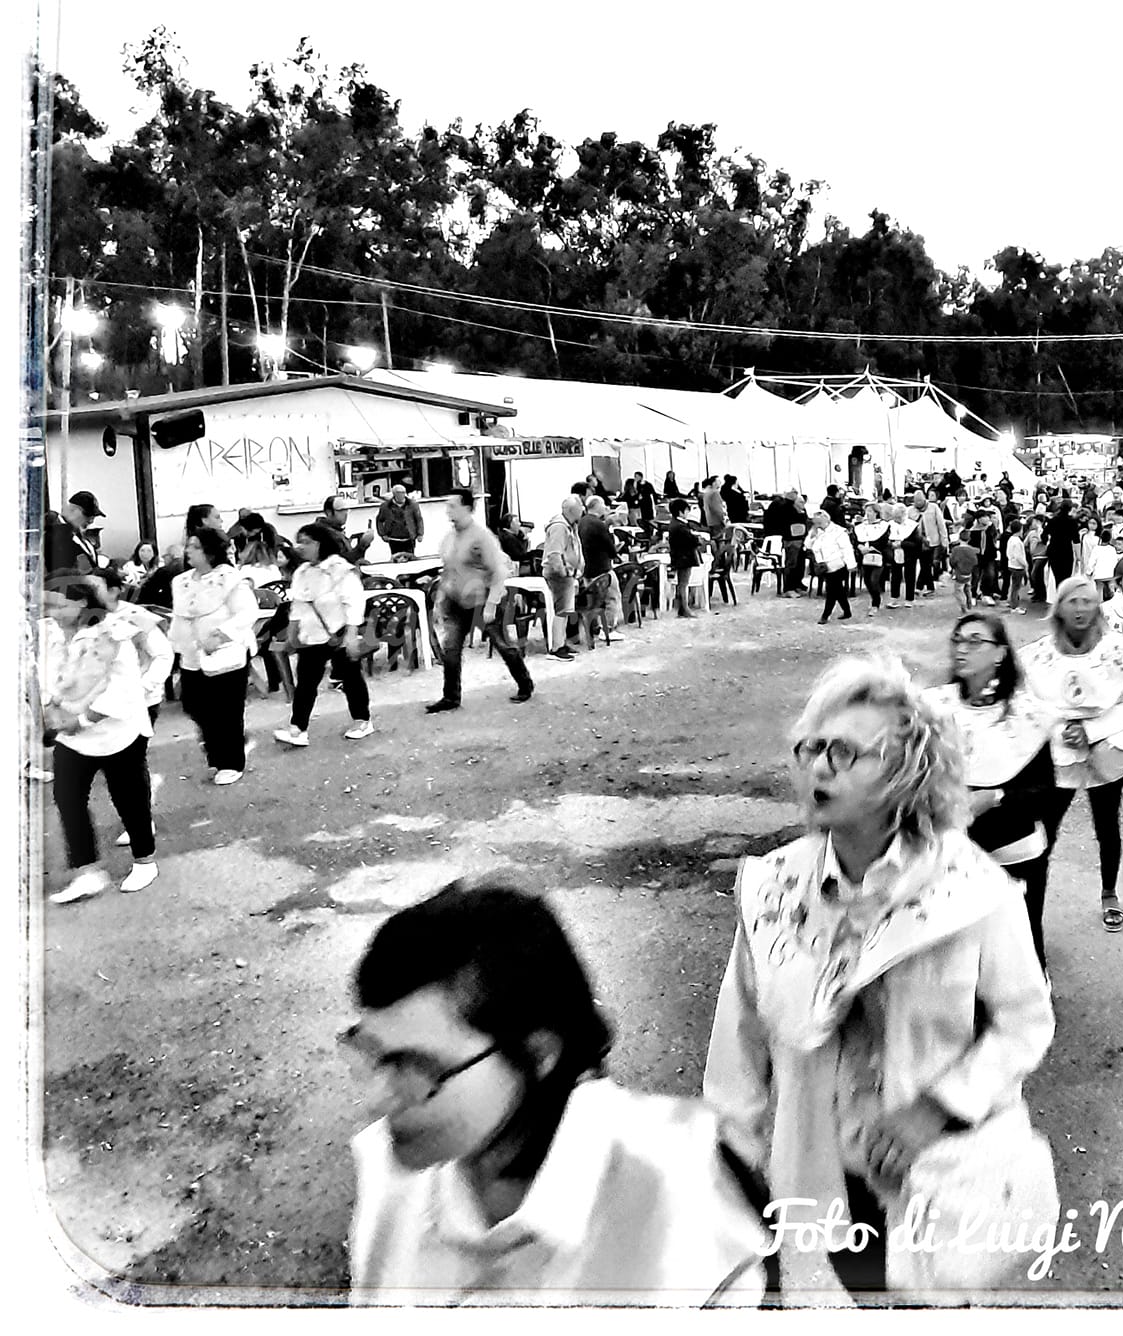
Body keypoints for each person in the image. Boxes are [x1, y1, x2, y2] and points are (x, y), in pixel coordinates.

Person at [703, 655, 1056, 1299]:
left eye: (844, 752)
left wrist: (937, 1109)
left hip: (931, 1178)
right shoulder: (774, 889)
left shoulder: (972, 891)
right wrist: (731, 1160)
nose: (818, 767)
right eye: (811, 747)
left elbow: (1025, 1022)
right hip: (815, 1174)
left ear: (906, 772)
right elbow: (741, 1033)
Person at [346, 881, 768, 1304]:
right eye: (371, 1055)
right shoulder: (391, 1176)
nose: (376, 1102)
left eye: (419, 1068)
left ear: (536, 1054)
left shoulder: (692, 1203)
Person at [926, 612, 1063, 969]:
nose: (962, 649)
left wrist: (995, 797)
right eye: (958, 640)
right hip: (954, 844)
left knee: (1020, 937)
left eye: (975, 641)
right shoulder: (936, 709)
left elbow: (1045, 791)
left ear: (1000, 653)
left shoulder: (1025, 716)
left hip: (1013, 845)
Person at [1019, 577, 1123, 930]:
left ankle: (1109, 893)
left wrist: (1090, 731)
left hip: (1105, 750)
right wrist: (1062, 730)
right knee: (1045, 833)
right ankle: (1031, 907)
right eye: (1073, 601)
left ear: (1098, 606)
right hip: (1058, 754)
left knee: (1107, 825)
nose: (1080, 609)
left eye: (1088, 601)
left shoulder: (1116, 652)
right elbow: (1026, 705)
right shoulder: (1037, 656)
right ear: (1059, 606)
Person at [40, 570, 173, 901]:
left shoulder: (112, 635)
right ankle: (87, 871)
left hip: (117, 731)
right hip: (70, 737)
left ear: (82, 603)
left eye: (59, 605)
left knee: (128, 797)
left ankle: (145, 860)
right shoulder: (52, 636)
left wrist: (82, 719)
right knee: (68, 799)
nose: (52, 613)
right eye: (48, 606)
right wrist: (52, 710)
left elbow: (123, 690)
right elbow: (46, 678)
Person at [428, 488, 536, 712]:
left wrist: (491, 604)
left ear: (467, 508)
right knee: (451, 650)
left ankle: (525, 684)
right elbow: (448, 571)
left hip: (484, 598)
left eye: (452, 506)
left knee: (503, 645)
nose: (448, 511)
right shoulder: (449, 538)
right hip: (457, 601)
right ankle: (451, 697)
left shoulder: (481, 536)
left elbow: (498, 571)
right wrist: (441, 598)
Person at [168, 526, 261, 785]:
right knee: (194, 705)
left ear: (210, 551)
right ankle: (216, 754)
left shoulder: (229, 579)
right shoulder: (182, 581)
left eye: (195, 547)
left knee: (226, 709)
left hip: (225, 654)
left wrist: (220, 635)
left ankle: (230, 761)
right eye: (189, 546)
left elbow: (247, 613)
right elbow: (179, 616)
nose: (189, 551)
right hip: (191, 654)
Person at [273, 523, 376, 747]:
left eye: (307, 542)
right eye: (299, 541)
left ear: (321, 544)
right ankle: (298, 728)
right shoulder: (301, 572)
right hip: (312, 636)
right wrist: (292, 635)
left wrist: (351, 632)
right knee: (306, 682)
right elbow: (297, 606)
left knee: (350, 678)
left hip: (337, 632)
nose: (301, 547)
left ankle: (362, 720)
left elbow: (353, 601)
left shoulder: (339, 569)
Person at [576, 494, 625, 642]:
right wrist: (615, 550)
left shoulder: (582, 522)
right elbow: (609, 547)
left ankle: (597, 627)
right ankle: (608, 629)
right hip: (602, 568)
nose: (605, 508)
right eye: (603, 505)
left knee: (595, 599)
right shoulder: (598, 524)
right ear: (597, 506)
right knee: (612, 597)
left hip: (587, 568)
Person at [541, 496, 585, 660]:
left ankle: (561, 643)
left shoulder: (569, 525)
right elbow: (554, 554)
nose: (582, 510)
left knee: (566, 610)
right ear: (572, 510)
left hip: (567, 573)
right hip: (559, 574)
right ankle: (556, 648)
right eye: (580, 507)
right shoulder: (560, 527)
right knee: (562, 610)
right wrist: (564, 572)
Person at [809, 509, 855, 624]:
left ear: (827, 520)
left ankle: (825, 615)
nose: (818, 526)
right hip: (824, 566)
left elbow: (847, 549)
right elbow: (808, 546)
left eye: (820, 523)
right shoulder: (817, 532)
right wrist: (812, 536)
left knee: (831, 591)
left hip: (838, 565)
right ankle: (847, 611)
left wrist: (851, 564)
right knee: (838, 590)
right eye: (816, 523)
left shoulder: (839, 532)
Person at [45, 491, 104, 577]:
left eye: (93, 517)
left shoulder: (76, 536)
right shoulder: (57, 535)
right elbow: (63, 573)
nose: (91, 521)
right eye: (88, 514)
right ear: (73, 510)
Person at [376, 483, 426, 559]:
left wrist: (420, 534)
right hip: (393, 538)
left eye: (403, 493)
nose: (401, 495)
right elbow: (379, 520)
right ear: (394, 494)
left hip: (409, 538)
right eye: (399, 493)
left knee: (410, 558)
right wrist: (382, 534)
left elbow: (419, 519)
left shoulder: (412, 504)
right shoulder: (385, 506)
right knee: (397, 559)